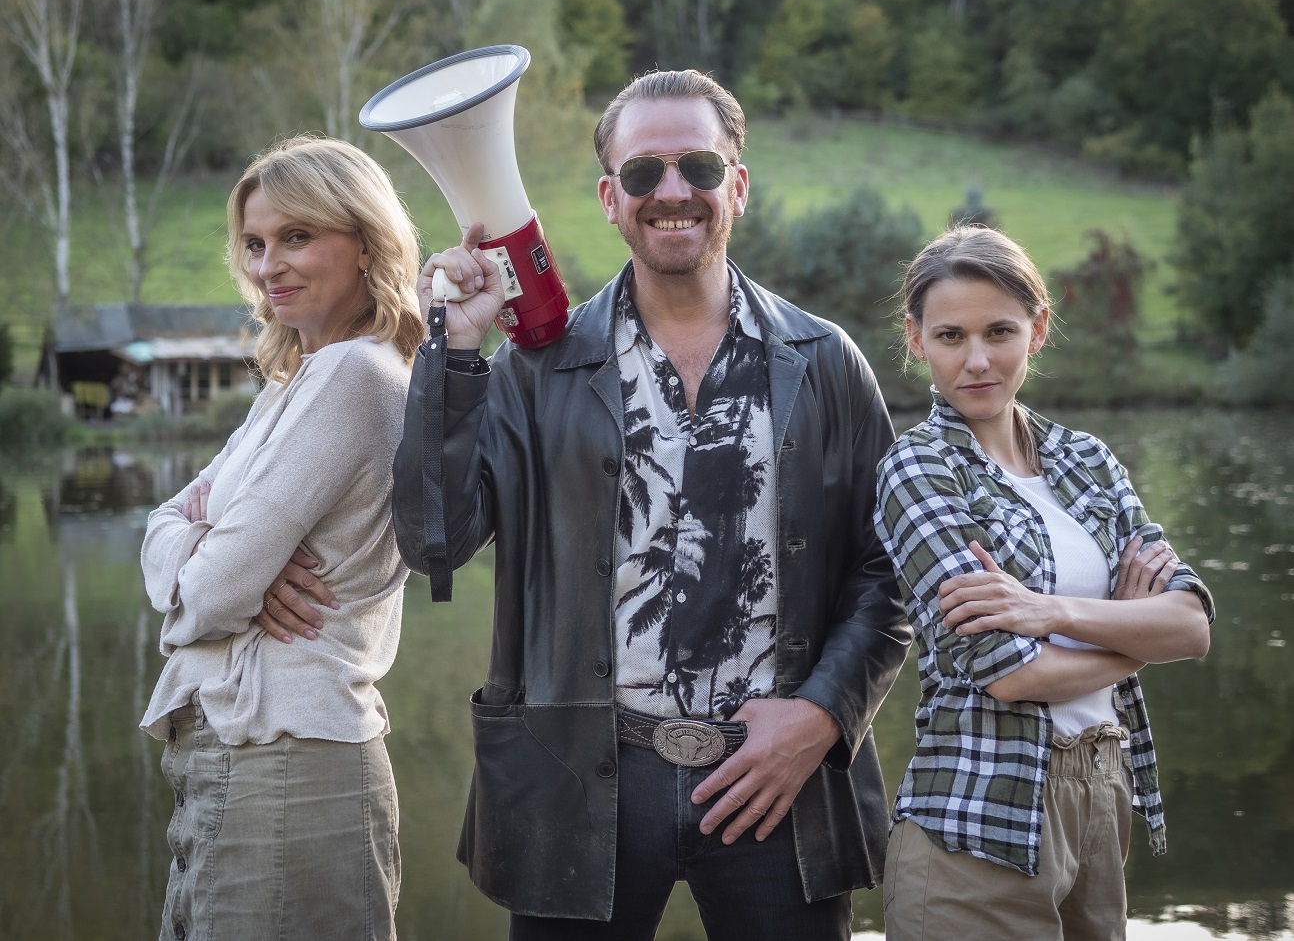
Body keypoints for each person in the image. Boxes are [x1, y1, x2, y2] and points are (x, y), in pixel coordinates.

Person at [390, 69, 912, 939]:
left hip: (774, 773)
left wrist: (823, 713)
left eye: (699, 167)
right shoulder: (535, 369)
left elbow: (887, 571)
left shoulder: (825, 361)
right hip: (578, 780)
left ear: (737, 186)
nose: (673, 192)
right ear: (610, 199)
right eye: (643, 172)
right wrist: (454, 351)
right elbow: (432, 541)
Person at [873, 225, 1215, 940]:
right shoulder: (918, 468)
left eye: (999, 331)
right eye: (950, 336)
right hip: (977, 816)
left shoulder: (1086, 459)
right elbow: (1012, 675)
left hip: (1103, 796)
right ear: (916, 339)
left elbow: (1190, 624)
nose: (976, 360)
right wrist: (1133, 637)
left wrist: (1046, 610)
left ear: (1038, 328)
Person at [138, 135, 424, 941]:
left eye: (297, 236)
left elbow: (209, 595)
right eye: (256, 243)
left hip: (288, 763)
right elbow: (161, 525)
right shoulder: (293, 383)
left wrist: (216, 563)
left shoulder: (353, 375)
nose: (269, 265)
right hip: (247, 756)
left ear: (366, 243)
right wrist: (204, 547)